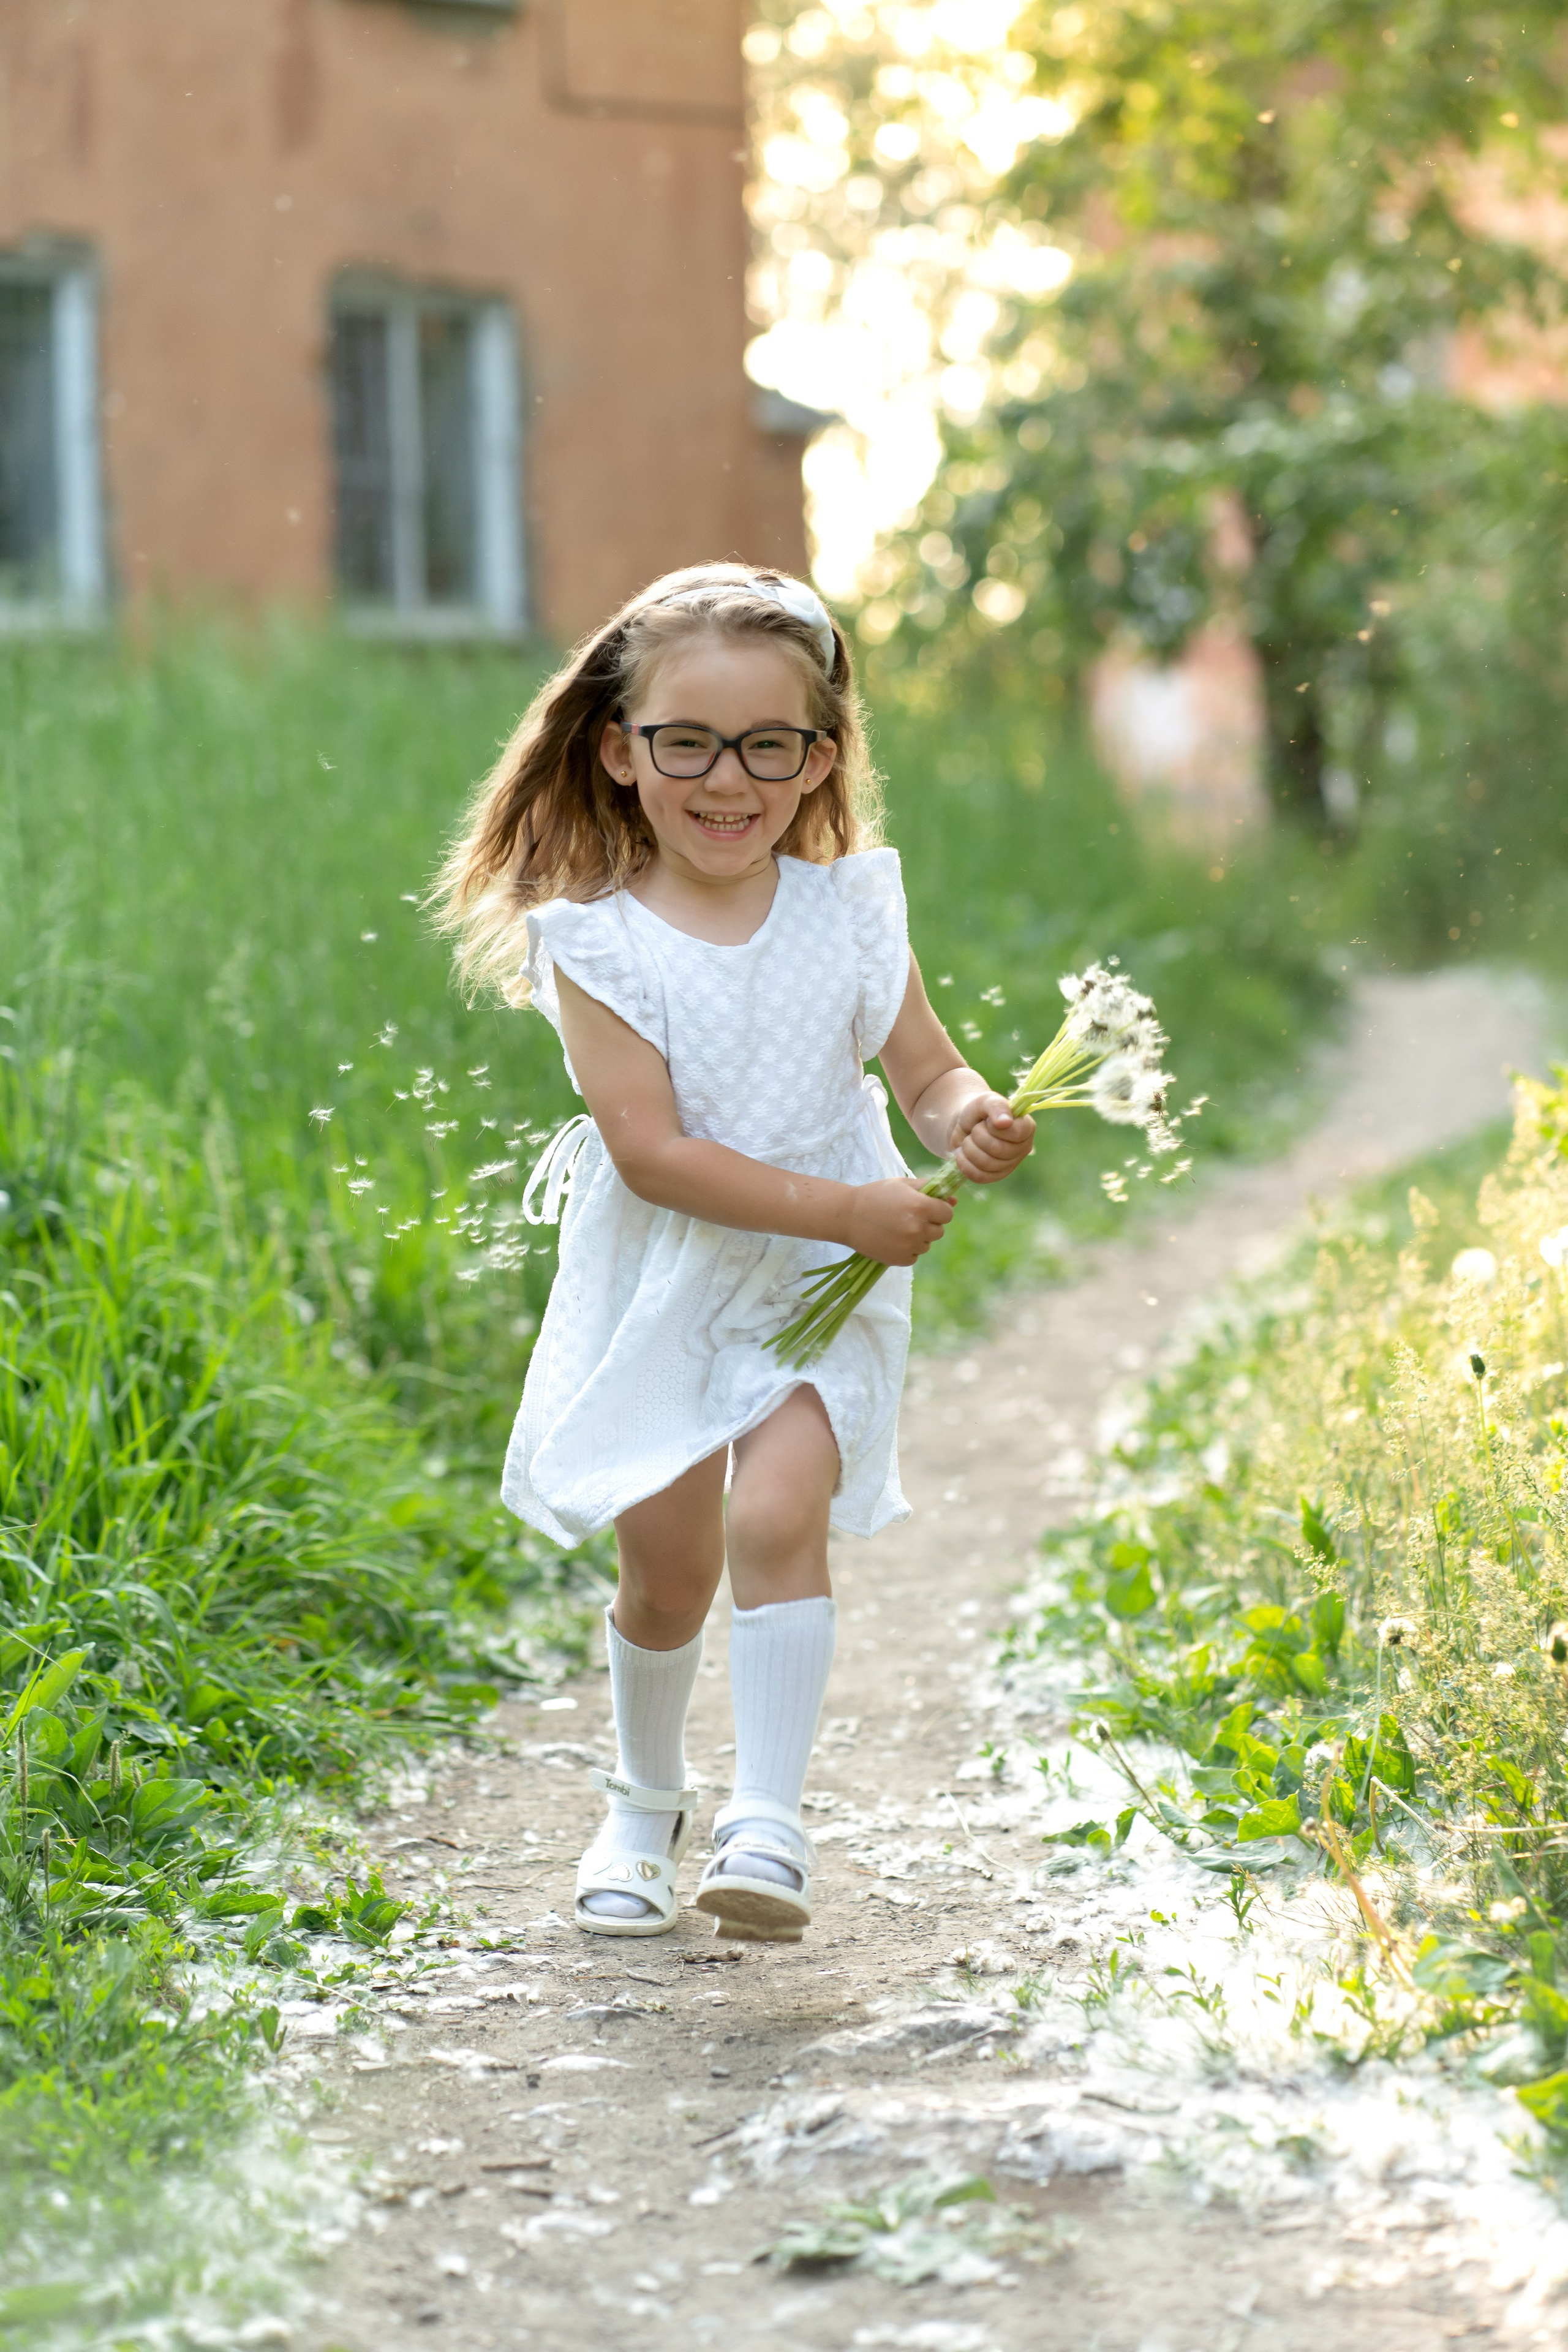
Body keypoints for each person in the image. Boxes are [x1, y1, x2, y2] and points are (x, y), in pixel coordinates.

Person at [435, 562, 1035, 1942]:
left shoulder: (850, 911)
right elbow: (651, 1153)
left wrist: (969, 1117)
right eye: (686, 742)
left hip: (820, 1291)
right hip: (671, 1280)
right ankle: (642, 1802)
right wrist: (848, 1212)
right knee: (666, 1570)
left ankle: (767, 1822)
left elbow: (924, 1069)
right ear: (618, 748)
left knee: (776, 1518)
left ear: (818, 756)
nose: (728, 778)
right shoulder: (596, 945)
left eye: (769, 745)